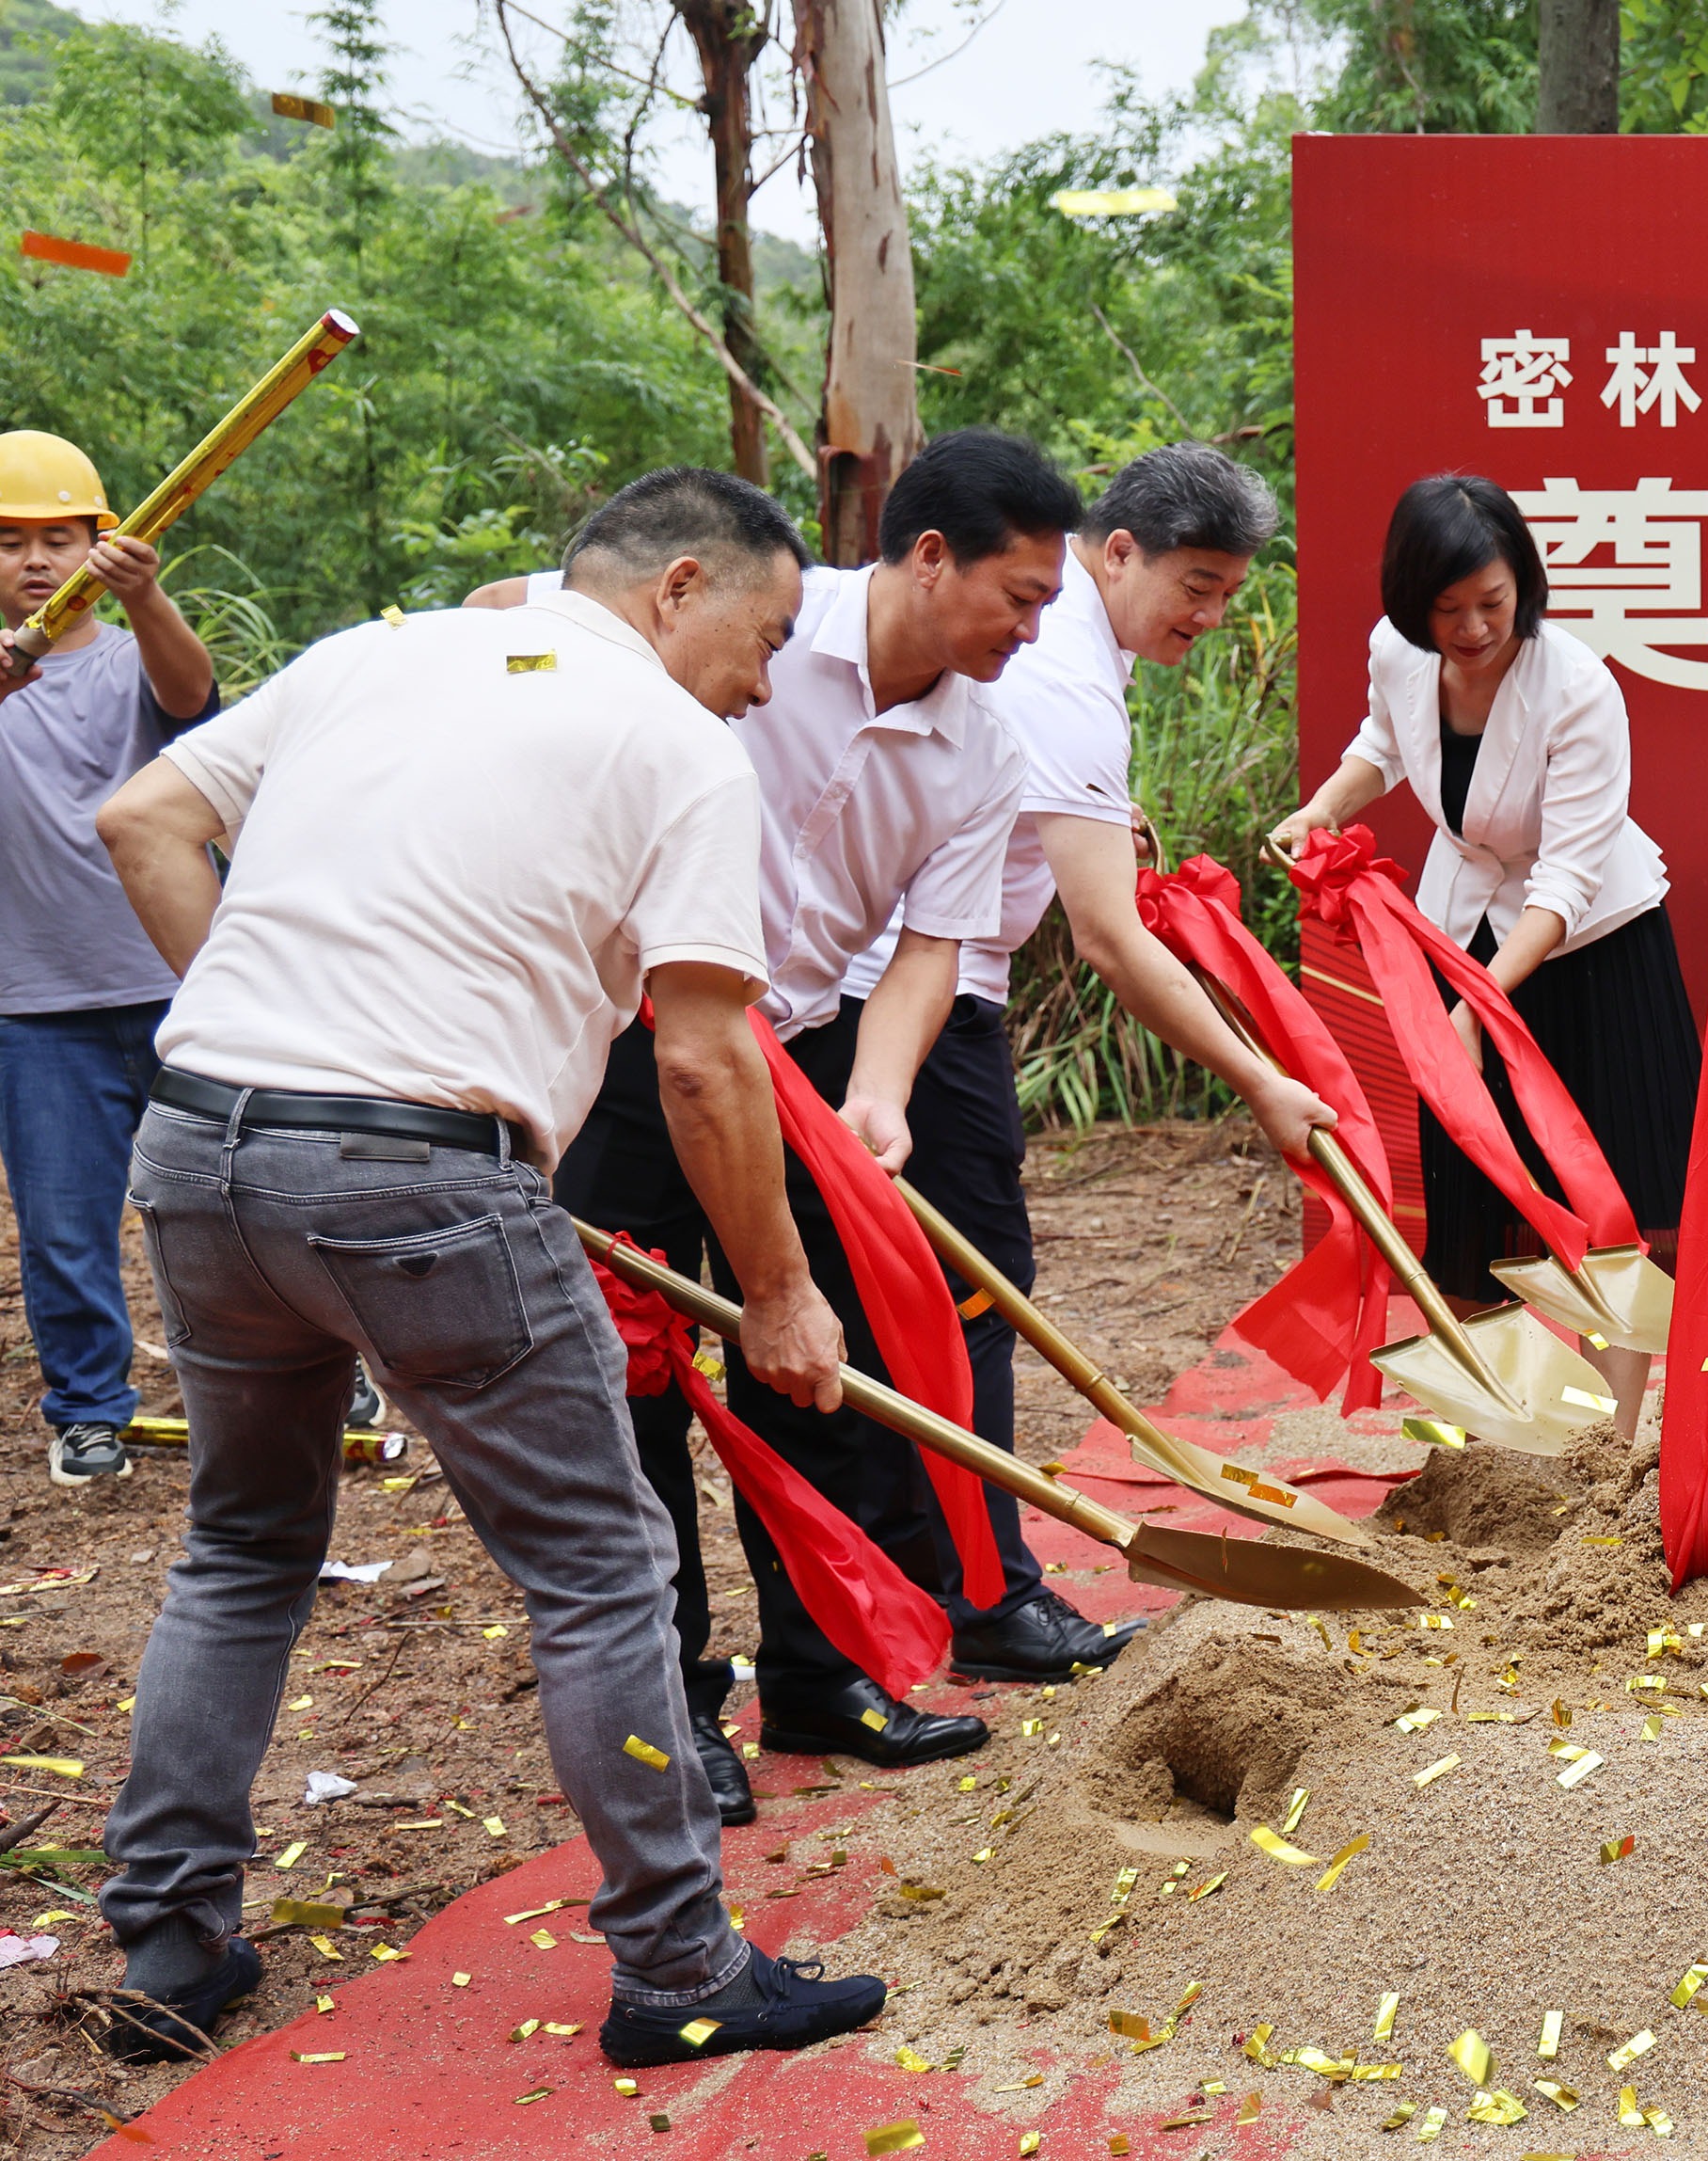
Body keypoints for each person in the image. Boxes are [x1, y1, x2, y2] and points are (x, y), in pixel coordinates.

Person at [86, 467, 888, 2068]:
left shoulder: (369, 655)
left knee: (244, 1543)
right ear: (676, 585)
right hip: (418, 1177)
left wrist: (287, 1053)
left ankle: (170, 1944)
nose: (765, 675)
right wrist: (784, 1296)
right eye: (767, 631)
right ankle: (678, 1967)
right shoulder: (674, 747)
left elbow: (145, 819)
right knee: (599, 1568)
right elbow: (711, 1058)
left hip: (200, 1141)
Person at [480, 429, 1082, 1803]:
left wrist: (873, 1093)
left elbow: (933, 944)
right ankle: (672, 1709)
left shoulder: (984, 749)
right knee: (633, 1380)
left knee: (811, 1363)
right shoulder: (748, 609)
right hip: (631, 1049)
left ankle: (820, 1677)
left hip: (792, 1064)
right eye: (1020, 596)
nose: (1031, 631)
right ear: (928, 557)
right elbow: (504, 618)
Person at [832, 442, 1334, 1635]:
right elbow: (1110, 939)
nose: (1211, 617)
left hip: (903, 980)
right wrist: (1260, 1078)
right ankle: (986, 1592)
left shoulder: (1055, 663)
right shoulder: (1058, 678)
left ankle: (918, 1579)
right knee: (972, 1287)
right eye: (1194, 585)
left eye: (1229, 594)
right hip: (911, 997)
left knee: (917, 1288)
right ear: (1117, 552)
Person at [1273, 474, 1694, 1416]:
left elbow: (1567, 878)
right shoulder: (1398, 651)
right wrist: (1324, 807)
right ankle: (1499, 1421)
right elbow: (1382, 743)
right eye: (1446, 609)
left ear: (1524, 583)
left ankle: (1615, 1434)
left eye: (1492, 603)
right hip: (1465, 925)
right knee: (1469, 1193)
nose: (1470, 629)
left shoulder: (1577, 684)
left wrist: (1477, 1006)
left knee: (1603, 1191)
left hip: (1590, 950)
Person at [0, 432, 215, 1487]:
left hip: (184, 987)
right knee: (63, 1227)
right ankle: (87, 1406)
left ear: (101, 540)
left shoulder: (135, 652)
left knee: (235, 1199)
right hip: (36, 1004)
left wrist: (145, 600)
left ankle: (310, 1372)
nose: (35, 562)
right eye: (7, 542)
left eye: (58, 537)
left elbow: (190, 699)